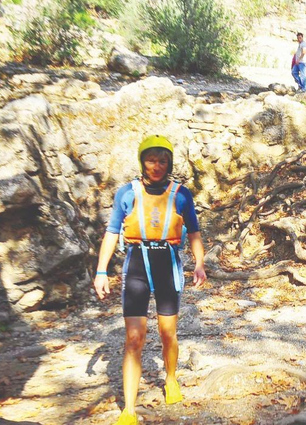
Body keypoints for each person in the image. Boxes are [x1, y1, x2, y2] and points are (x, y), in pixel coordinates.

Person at [94, 135, 207, 425]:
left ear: (169, 163)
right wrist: (101, 270)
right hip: (136, 265)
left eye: (162, 160)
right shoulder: (127, 193)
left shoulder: (181, 195)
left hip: (166, 264)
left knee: (168, 332)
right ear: (142, 161)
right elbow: (112, 232)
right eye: (151, 159)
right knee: (134, 339)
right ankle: (129, 410)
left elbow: (193, 232)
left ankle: (170, 379)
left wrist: (199, 265)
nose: (156, 165)